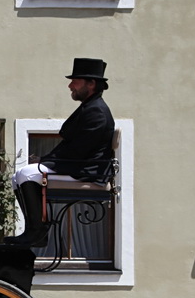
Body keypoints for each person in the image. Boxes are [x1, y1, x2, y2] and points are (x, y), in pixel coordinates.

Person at [8, 58, 115, 246]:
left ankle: (38, 232)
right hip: (78, 166)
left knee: (27, 174)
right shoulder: (90, 108)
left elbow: (78, 151)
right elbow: (73, 147)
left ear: (91, 84)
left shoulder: (96, 112)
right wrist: (45, 160)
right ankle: (33, 229)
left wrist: (46, 162)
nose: (70, 86)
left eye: (75, 81)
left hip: (86, 173)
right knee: (18, 176)